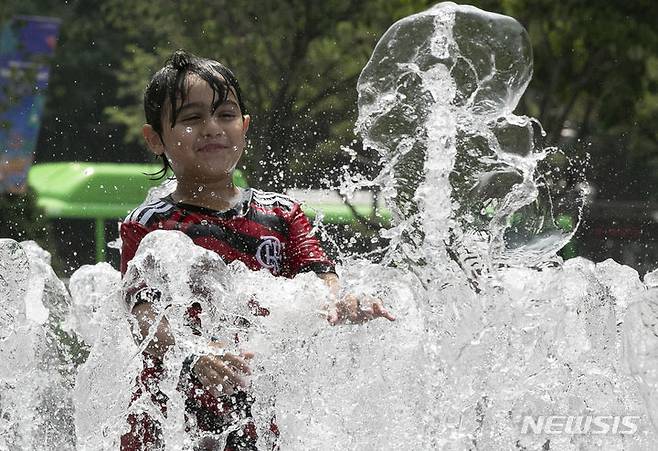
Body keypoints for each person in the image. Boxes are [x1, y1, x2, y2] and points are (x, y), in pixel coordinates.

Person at [119, 50, 395, 450]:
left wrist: (343, 302)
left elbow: (319, 279)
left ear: (244, 126)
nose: (212, 128)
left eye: (226, 115)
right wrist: (190, 350)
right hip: (168, 416)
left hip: (259, 415)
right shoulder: (150, 225)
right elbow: (142, 315)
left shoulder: (281, 214)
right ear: (155, 139)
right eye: (192, 118)